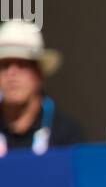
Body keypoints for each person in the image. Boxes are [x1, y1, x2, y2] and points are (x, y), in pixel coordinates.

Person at [0, 19, 85, 156]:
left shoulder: (66, 135)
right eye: (4, 65)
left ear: (39, 73)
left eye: (22, 65)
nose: (11, 74)